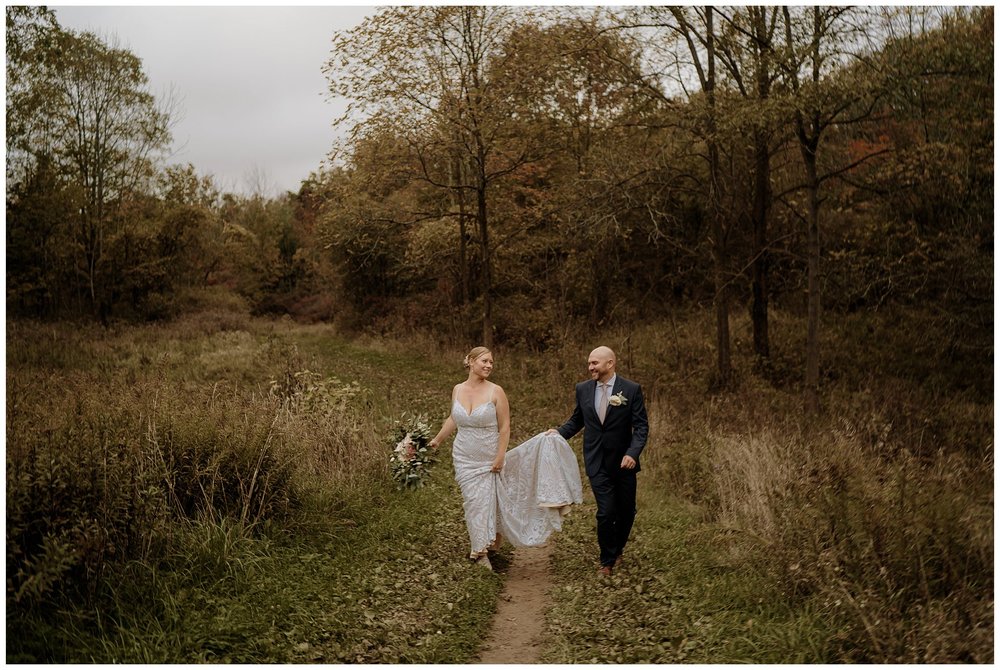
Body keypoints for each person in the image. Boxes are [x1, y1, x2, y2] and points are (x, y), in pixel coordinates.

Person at [430, 346, 583, 570]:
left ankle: (484, 551)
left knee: (492, 503)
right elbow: (454, 418)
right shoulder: (457, 390)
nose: (489, 365)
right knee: (474, 503)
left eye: (491, 362)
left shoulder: (496, 391)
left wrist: (500, 456)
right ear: (471, 362)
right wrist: (437, 440)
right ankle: (482, 548)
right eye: (484, 361)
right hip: (463, 457)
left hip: (489, 457)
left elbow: (505, 427)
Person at [547, 346, 648, 577]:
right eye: (589, 363)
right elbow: (577, 420)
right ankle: (607, 561)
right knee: (605, 511)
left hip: (624, 462)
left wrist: (632, 453)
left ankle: (618, 548)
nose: (590, 367)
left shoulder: (631, 390)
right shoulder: (582, 389)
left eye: (595, 363)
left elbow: (641, 426)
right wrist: (558, 433)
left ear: (610, 364)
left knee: (627, 511)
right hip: (596, 460)